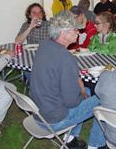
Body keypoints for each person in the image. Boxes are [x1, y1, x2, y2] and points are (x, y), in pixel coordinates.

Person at [29, 12, 105, 149]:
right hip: (53, 119)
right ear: (63, 34)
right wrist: (82, 95)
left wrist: (82, 90)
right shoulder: (66, 58)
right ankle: (96, 144)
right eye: (75, 29)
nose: (78, 31)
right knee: (104, 98)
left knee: (86, 90)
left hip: (38, 111)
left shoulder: (45, 45)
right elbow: (71, 102)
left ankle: (69, 138)